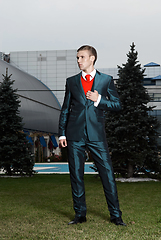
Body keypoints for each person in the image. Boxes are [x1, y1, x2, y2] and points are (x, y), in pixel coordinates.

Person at [59, 45, 126, 226]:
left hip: (97, 136)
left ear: (92, 58)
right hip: (74, 135)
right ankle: (80, 215)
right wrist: (62, 134)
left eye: (81, 57)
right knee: (76, 175)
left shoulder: (106, 80)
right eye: (77, 57)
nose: (79, 61)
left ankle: (116, 216)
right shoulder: (71, 81)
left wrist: (99, 100)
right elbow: (65, 109)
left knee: (108, 175)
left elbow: (117, 105)